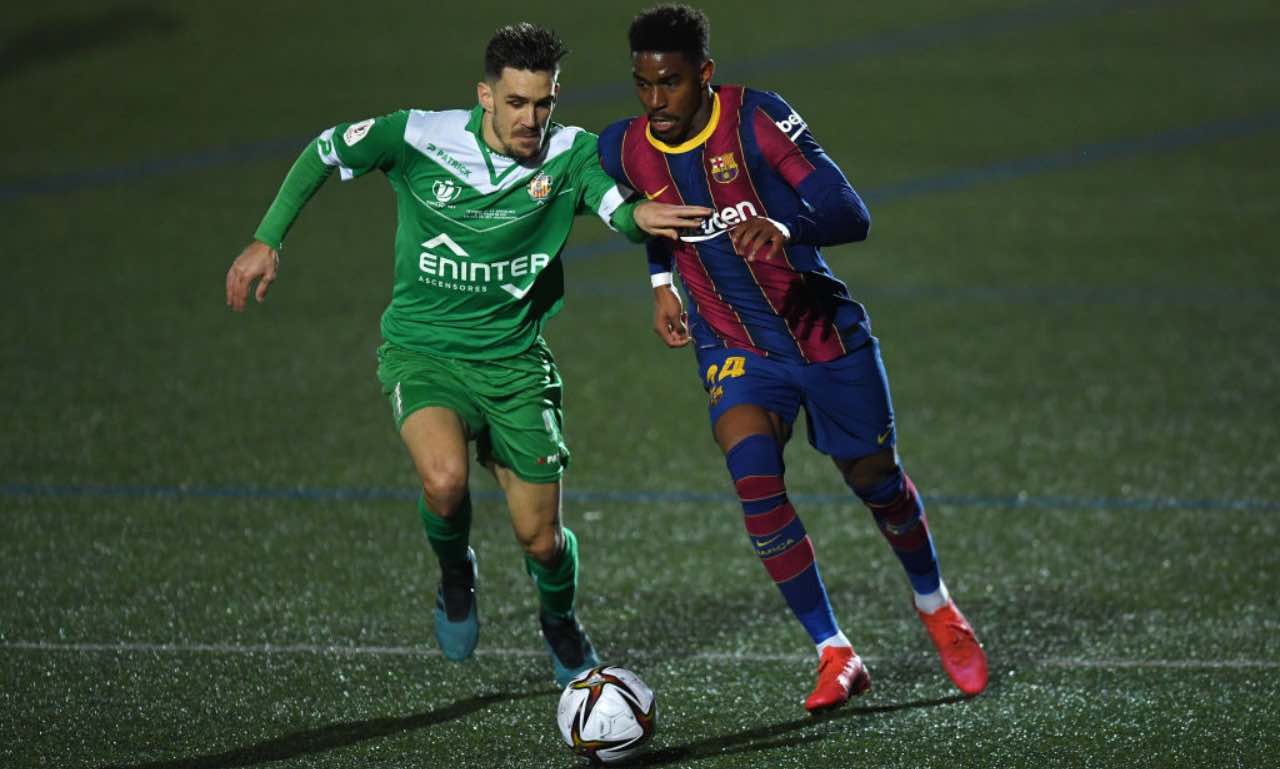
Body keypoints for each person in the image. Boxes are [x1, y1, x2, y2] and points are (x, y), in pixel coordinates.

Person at [225, 22, 710, 687]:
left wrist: (638, 222)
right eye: (516, 103)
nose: (531, 119)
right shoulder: (420, 136)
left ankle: (559, 618)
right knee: (445, 481)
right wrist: (267, 237)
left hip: (514, 366)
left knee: (541, 538)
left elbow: (614, 205)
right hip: (424, 353)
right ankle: (456, 571)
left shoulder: (570, 153)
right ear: (485, 95)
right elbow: (324, 149)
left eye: (543, 103)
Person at [598, 4, 988, 711]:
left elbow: (850, 211)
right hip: (735, 343)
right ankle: (834, 650)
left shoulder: (756, 120)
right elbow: (649, 207)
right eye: (643, 85)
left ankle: (935, 604)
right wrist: (662, 282)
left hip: (821, 334)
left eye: (672, 84)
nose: (656, 102)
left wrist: (783, 222)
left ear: (705, 75)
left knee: (876, 479)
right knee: (752, 476)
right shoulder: (621, 146)